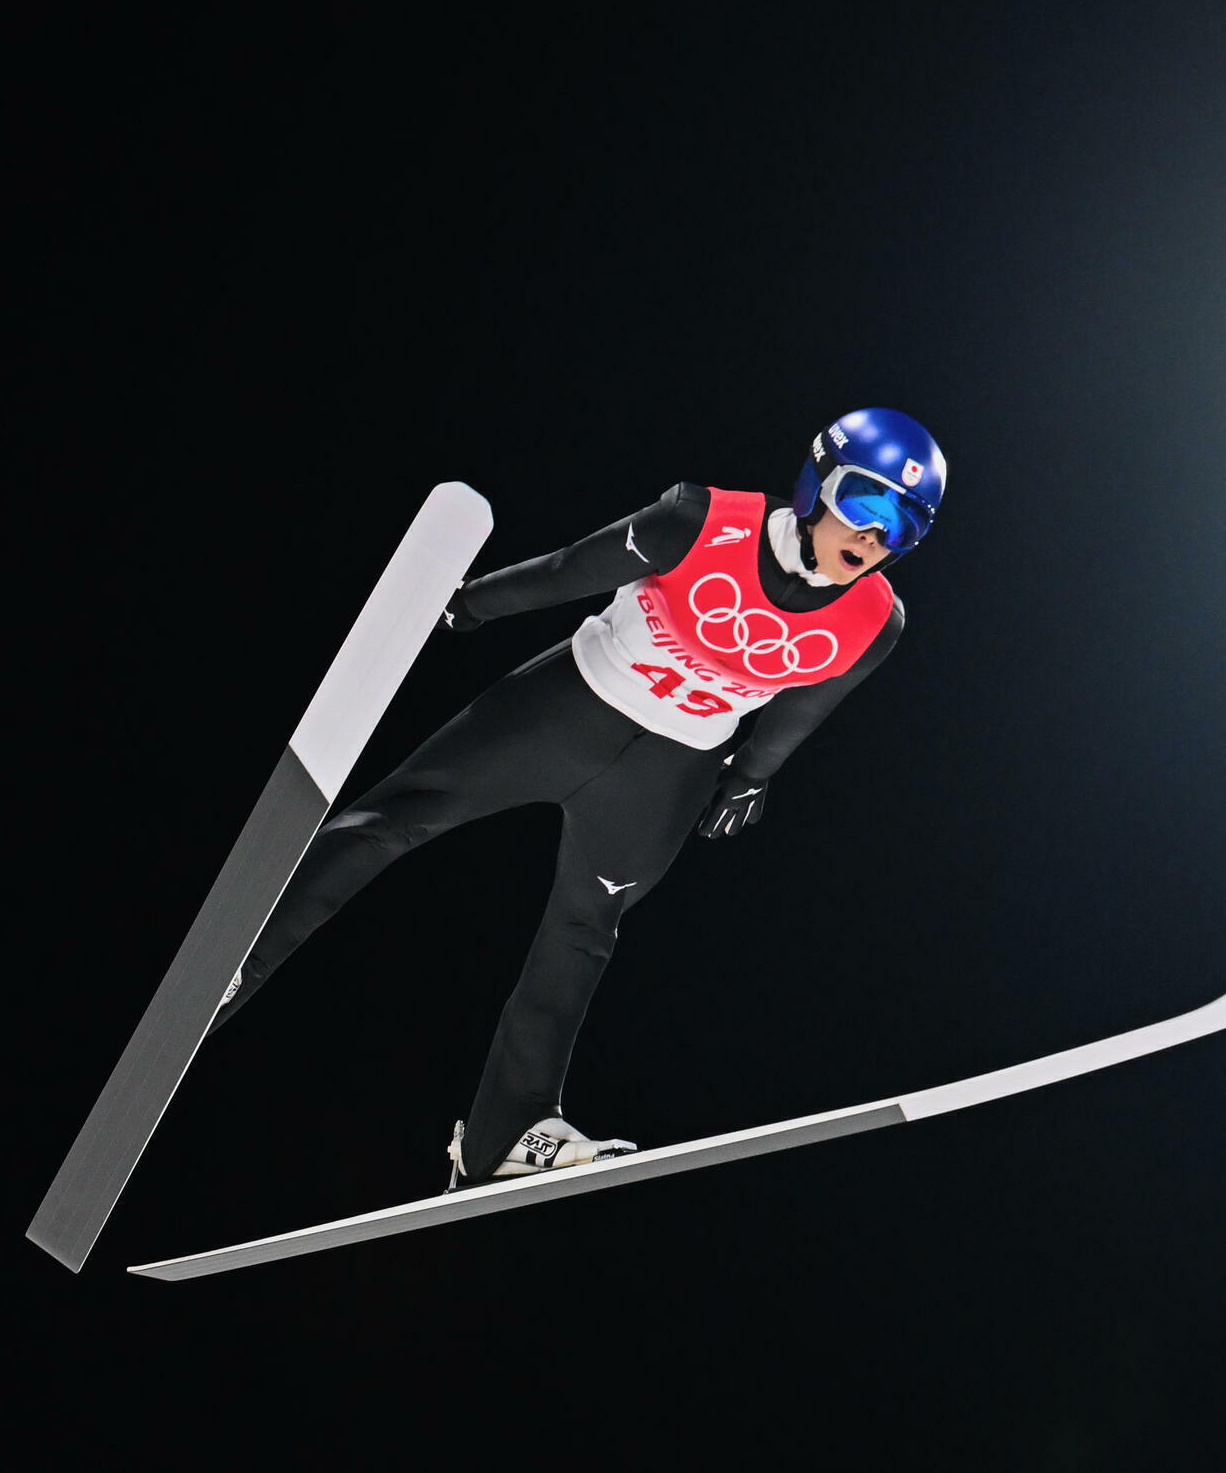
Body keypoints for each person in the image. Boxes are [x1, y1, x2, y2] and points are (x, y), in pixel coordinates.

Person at [210, 408, 945, 1188]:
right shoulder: (700, 520)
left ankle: (505, 1132)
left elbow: (804, 705)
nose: (875, 536)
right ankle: (236, 959)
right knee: (396, 818)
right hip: (567, 708)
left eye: (903, 525)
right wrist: (467, 602)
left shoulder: (876, 619)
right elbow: (567, 570)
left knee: (584, 928)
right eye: (866, 502)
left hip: (667, 774)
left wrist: (753, 774)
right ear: (815, 483)